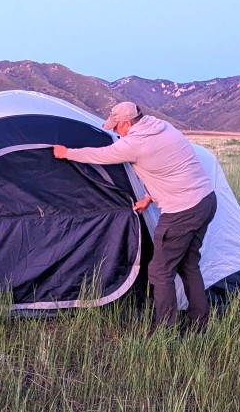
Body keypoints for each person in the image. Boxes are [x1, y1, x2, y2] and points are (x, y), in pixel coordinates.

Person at [53, 102, 217, 332]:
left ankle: (163, 331)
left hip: (181, 213)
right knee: (189, 264)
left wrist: (67, 153)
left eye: (116, 127)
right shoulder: (164, 127)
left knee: (160, 272)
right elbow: (171, 167)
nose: (115, 132)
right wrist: (149, 197)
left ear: (127, 123)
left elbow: (100, 155)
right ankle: (200, 322)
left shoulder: (134, 144)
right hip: (206, 200)